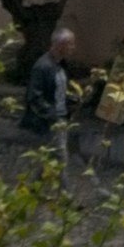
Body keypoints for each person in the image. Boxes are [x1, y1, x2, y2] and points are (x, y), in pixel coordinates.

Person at [22, 27, 79, 164]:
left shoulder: (60, 64)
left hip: (61, 118)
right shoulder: (42, 67)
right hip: (51, 121)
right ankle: (65, 186)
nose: (73, 47)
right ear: (61, 45)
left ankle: (36, 183)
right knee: (60, 158)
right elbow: (34, 97)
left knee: (48, 157)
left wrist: (70, 100)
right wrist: (52, 116)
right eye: (71, 44)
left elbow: (58, 90)